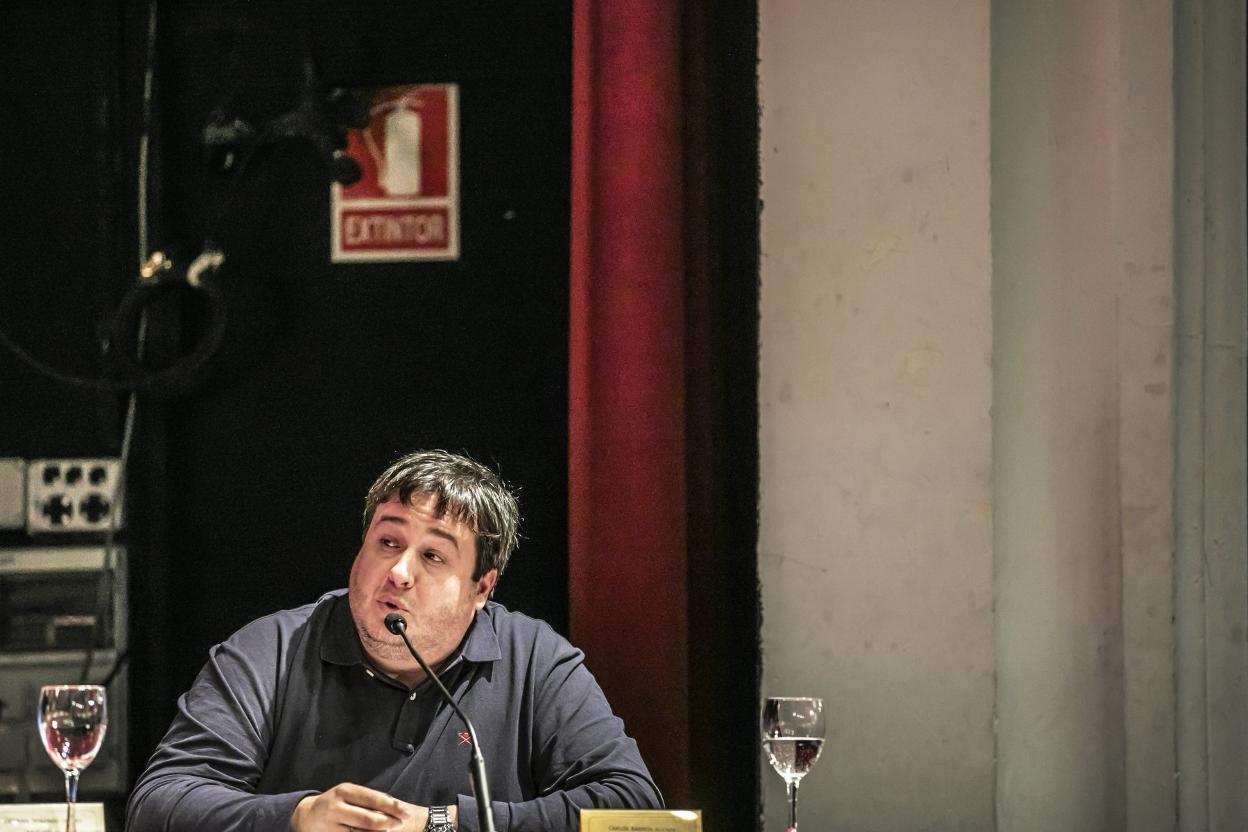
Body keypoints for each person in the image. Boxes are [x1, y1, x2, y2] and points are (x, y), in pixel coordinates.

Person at [126, 450, 661, 832]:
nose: (400, 572)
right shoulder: (269, 650)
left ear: (481, 588)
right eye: (387, 541)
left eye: (433, 556)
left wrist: (440, 824)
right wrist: (295, 817)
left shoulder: (535, 660)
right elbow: (158, 802)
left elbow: (634, 809)